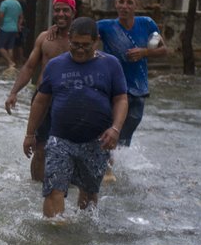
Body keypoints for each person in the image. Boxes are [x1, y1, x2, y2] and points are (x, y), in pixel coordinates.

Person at [22, 17, 128, 218]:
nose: (80, 49)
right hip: (60, 139)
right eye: (75, 44)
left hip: (96, 142)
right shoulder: (55, 65)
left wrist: (115, 129)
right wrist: (30, 134)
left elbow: (121, 99)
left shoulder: (111, 64)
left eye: (86, 45)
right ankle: (55, 240)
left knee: (88, 195)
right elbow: (40, 101)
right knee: (54, 189)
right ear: (69, 39)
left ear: (96, 41)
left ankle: (80, 242)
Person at [4, 0, 78, 181]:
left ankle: (68, 188)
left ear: (73, 12)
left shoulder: (81, 40)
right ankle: (36, 188)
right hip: (43, 99)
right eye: (57, 10)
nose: (61, 14)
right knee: (40, 147)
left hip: (71, 101)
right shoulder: (45, 38)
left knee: (73, 148)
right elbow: (29, 67)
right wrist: (13, 92)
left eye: (65, 10)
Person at [96, 0, 168, 146]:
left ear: (136, 5)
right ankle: (107, 167)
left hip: (138, 90)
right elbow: (79, 34)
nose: (124, 6)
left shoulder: (148, 24)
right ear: (115, 4)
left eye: (129, 2)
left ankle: (120, 169)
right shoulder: (105, 27)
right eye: (121, 2)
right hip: (113, 89)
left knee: (125, 139)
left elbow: (163, 49)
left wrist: (144, 52)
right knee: (109, 131)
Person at [0, 0, 23, 73]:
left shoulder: (4, 3)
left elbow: (0, 16)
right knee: (10, 48)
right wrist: (18, 25)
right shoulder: (17, 3)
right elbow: (21, 17)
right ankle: (11, 67)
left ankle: (10, 62)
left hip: (5, 28)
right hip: (14, 29)